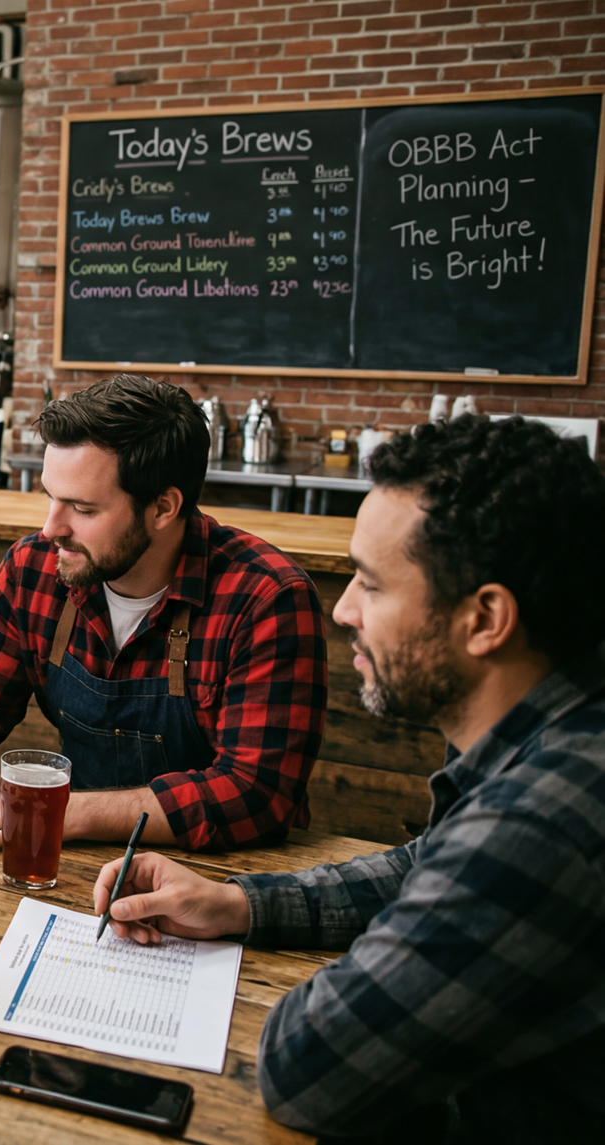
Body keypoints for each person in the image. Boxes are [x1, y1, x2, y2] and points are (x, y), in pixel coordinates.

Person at [91, 416, 605, 1140]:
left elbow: (309, 1064)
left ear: (485, 617)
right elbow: (422, 868)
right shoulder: (556, 733)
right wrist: (237, 903)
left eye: (371, 583)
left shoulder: (542, 820)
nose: (343, 610)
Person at [0, 374, 328, 851]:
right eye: (49, 498)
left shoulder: (265, 599)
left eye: (82, 508)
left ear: (163, 507)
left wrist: (60, 810)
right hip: (73, 852)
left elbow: (256, 794)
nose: (50, 528)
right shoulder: (34, 568)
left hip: (215, 877)